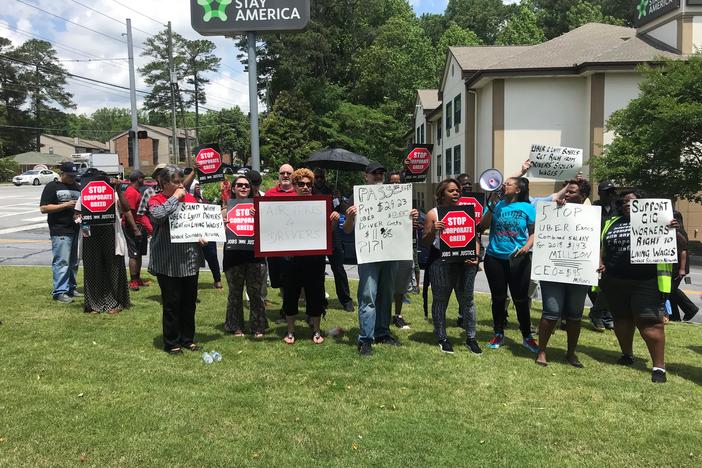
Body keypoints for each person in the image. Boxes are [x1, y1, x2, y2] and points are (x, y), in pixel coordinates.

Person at [598, 189, 674, 383]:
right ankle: (627, 354)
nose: (626, 204)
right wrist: (601, 262)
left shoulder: (659, 221)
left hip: (645, 281)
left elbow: (672, 242)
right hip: (615, 280)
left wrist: (672, 227)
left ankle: (658, 367)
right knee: (621, 319)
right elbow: (600, 246)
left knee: (650, 323)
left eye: (631, 201)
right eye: (623, 202)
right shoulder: (611, 223)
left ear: (643, 203)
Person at [344, 161, 419, 356]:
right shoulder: (357, 196)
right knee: (368, 295)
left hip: (390, 254)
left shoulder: (395, 196)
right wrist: (351, 217)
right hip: (369, 255)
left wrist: (411, 216)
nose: (378, 176)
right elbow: (347, 230)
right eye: (374, 173)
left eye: (381, 173)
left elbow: (403, 225)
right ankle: (366, 338)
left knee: (386, 295)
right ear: (365, 176)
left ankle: (382, 332)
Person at [535, 179, 593, 367]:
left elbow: (595, 242)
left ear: (583, 196)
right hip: (553, 270)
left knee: (575, 315)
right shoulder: (552, 210)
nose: (566, 194)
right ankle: (542, 351)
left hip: (579, 271)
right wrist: (556, 209)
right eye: (566, 191)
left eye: (571, 192)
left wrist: (598, 261)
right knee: (551, 312)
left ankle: (571, 353)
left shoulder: (592, 216)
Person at [148, 165, 205, 355]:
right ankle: (171, 341)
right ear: (164, 183)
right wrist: (174, 199)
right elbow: (157, 216)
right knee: (172, 304)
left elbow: (197, 221)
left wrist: (202, 235)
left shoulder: (190, 198)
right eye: (176, 182)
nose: (181, 185)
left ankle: (187, 338)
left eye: (182, 182)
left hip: (189, 259)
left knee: (189, 303)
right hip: (168, 262)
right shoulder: (156, 199)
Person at [478, 176, 539, 353]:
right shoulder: (497, 205)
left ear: (518, 190)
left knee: (521, 299)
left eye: (508, 184)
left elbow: (534, 232)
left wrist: (527, 247)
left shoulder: (528, 208)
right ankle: (498, 332)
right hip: (495, 258)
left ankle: (527, 336)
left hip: (518, 259)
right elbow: (482, 226)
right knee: (498, 298)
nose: (504, 185)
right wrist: (491, 206)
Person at [423, 178, 482, 354]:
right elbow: (425, 241)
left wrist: (476, 256)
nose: (456, 193)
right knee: (441, 301)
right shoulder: (433, 214)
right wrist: (434, 230)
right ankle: (442, 337)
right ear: (441, 194)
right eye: (451, 190)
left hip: (466, 263)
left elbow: (475, 237)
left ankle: (471, 338)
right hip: (442, 263)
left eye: (457, 190)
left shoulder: (468, 211)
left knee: (468, 301)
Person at [281, 168, 340, 345]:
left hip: (315, 259)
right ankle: (290, 331)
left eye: (309, 184)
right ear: (294, 185)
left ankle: (316, 330)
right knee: (291, 294)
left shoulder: (321, 205)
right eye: (301, 184)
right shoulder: (283, 206)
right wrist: (258, 216)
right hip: (291, 258)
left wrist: (334, 221)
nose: (305, 187)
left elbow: (328, 232)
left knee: (316, 293)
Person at [76, 172, 131, 314]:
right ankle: (94, 305)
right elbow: (76, 214)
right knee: (93, 270)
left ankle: (115, 303)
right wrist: (81, 220)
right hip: (91, 237)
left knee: (113, 270)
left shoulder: (113, 194)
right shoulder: (84, 194)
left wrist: (119, 189)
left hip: (110, 235)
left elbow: (126, 208)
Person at [223, 175, 268, 338]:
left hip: (255, 256)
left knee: (256, 293)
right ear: (233, 188)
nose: (243, 188)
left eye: (246, 186)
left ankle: (258, 327)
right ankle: (235, 326)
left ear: (251, 189)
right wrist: (222, 224)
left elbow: (269, 230)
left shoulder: (259, 208)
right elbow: (216, 234)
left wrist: (259, 217)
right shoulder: (224, 211)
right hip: (233, 257)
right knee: (235, 293)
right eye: (239, 185)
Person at [40, 161, 82, 303]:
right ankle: (59, 292)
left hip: (75, 228)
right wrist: (65, 205)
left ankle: (71, 288)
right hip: (60, 229)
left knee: (73, 262)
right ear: (62, 174)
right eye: (70, 176)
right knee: (62, 262)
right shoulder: (52, 186)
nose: (72, 178)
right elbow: (43, 208)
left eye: (74, 175)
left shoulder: (77, 186)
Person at [314, 168, 354, 312]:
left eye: (321, 177)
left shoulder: (332, 191)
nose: (319, 179)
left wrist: (339, 197)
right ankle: (320, 300)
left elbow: (343, 209)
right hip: (316, 235)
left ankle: (345, 300)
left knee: (338, 268)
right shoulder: (309, 192)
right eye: (316, 177)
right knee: (318, 270)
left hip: (333, 234)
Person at [264, 164, 297, 317]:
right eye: (282, 173)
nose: (285, 175)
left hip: (294, 245)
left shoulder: (300, 193)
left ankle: (288, 308)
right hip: (274, 245)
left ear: (293, 175)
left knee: (292, 279)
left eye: (288, 173)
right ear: (278, 175)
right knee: (278, 280)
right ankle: (287, 305)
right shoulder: (269, 194)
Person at [588, 180, 618, 331]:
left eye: (612, 192)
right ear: (600, 193)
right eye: (607, 192)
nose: (611, 195)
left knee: (612, 286)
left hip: (613, 252)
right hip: (595, 250)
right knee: (597, 286)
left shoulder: (618, 208)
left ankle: (605, 315)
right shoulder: (593, 208)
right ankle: (598, 313)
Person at [388, 170, 413, 329]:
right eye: (392, 182)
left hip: (402, 247)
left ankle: (398, 315)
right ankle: (384, 314)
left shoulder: (408, 200)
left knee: (400, 285)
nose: (395, 184)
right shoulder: (380, 200)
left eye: (398, 181)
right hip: (385, 248)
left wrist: (415, 215)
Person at [123, 170, 153, 291]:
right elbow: (127, 211)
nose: (144, 181)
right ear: (138, 179)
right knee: (134, 254)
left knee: (139, 253)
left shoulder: (135, 191)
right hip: (132, 226)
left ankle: (138, 278)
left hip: (139, 226)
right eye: (143, 179)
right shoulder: (131, 192)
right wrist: (135, 229)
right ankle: (133, 281)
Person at [191, 180, 223, 289]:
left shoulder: (205, 201)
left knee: (213, 256)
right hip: (193, 235)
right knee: (194, 259)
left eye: (199, 185)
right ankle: (193, 283)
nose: (198, 187)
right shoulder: (188, 201)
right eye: (195, 186)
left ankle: (217, 280)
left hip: (207, 234)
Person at [669, 211, 698, 322]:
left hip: (679, 266)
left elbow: (683, 251)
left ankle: (690, 309)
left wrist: (681, 269)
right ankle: (674, 316)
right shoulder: (672, 230)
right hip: (674, 265)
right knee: (669, 292)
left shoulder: (679, 231)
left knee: (672, 290)